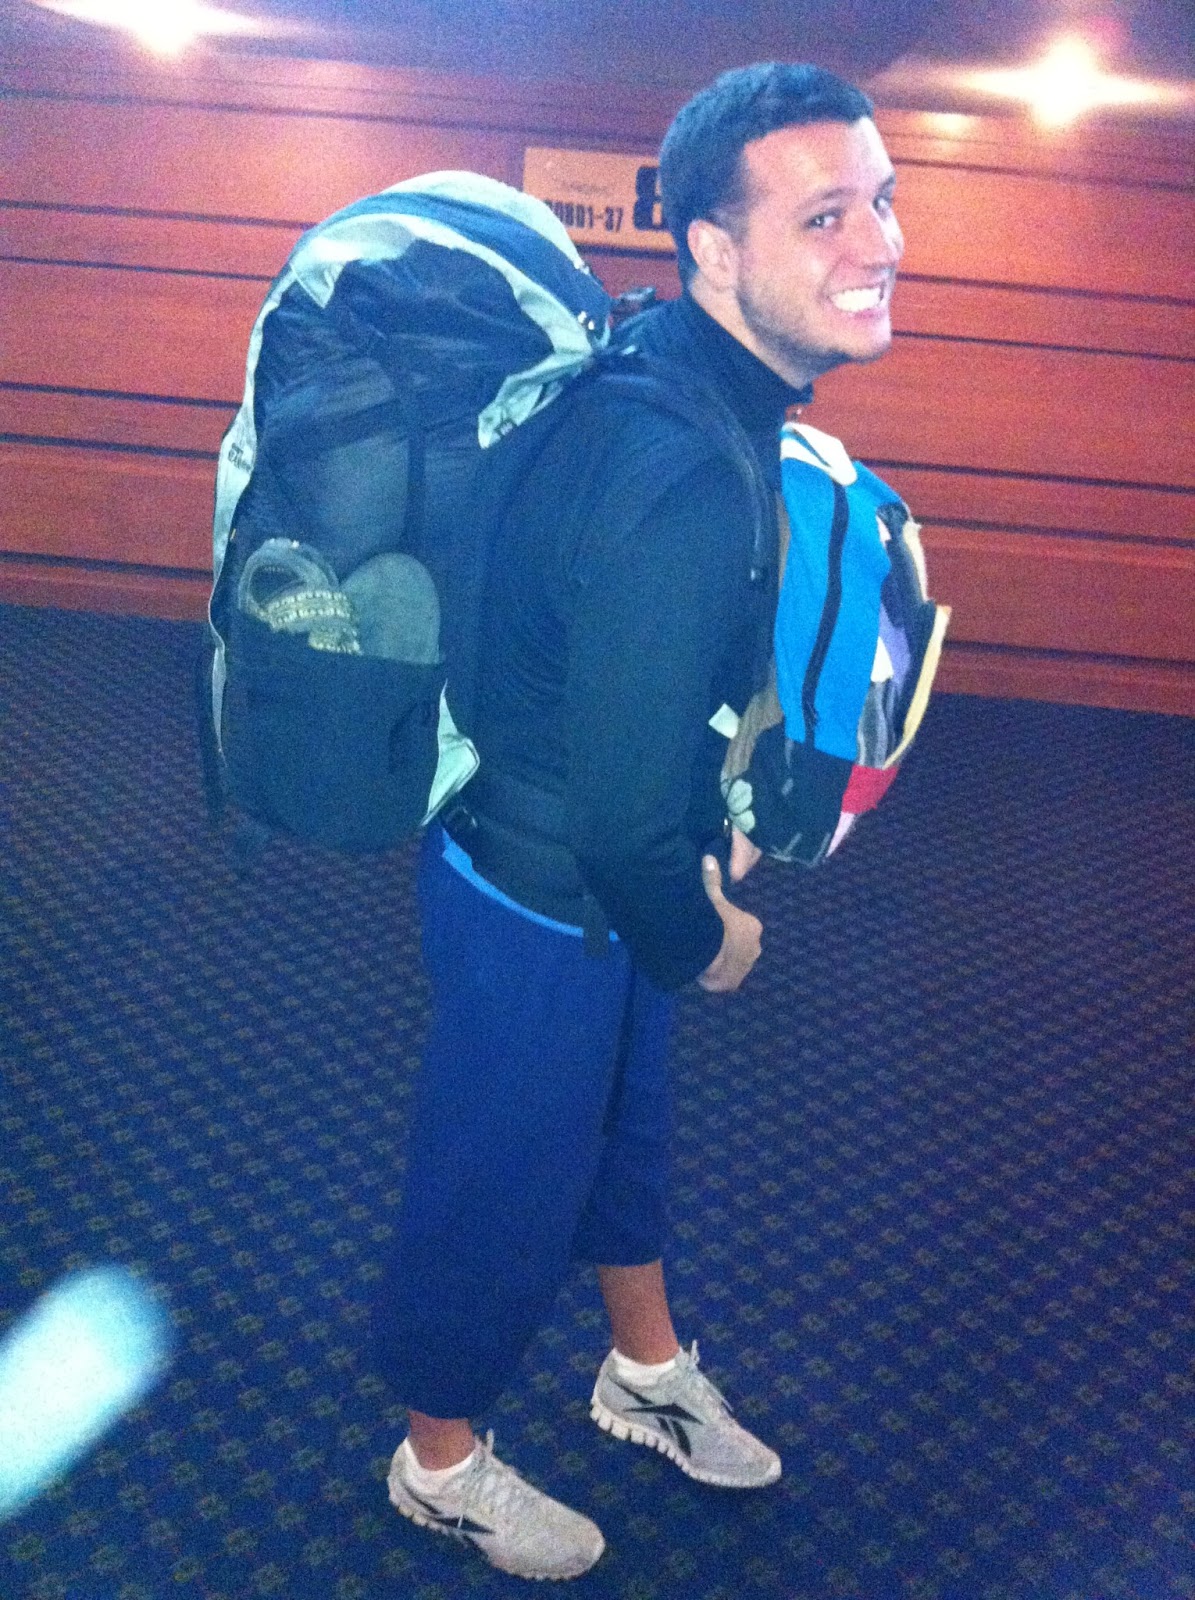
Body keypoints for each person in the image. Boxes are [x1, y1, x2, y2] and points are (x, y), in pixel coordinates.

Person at [374, 59, 905, 1580]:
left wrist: (691, 831)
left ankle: (643, 1369)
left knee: (623, 1140)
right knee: (497, 1181)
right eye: (825, 216)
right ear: (715, 252)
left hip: (586, 862)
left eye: (881, 201)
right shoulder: (677, 466)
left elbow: (629, 686)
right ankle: (436, 1461)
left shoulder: (671, 367)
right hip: (550, 894)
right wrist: (703, 938)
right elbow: (615, 822)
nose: (878, 243)